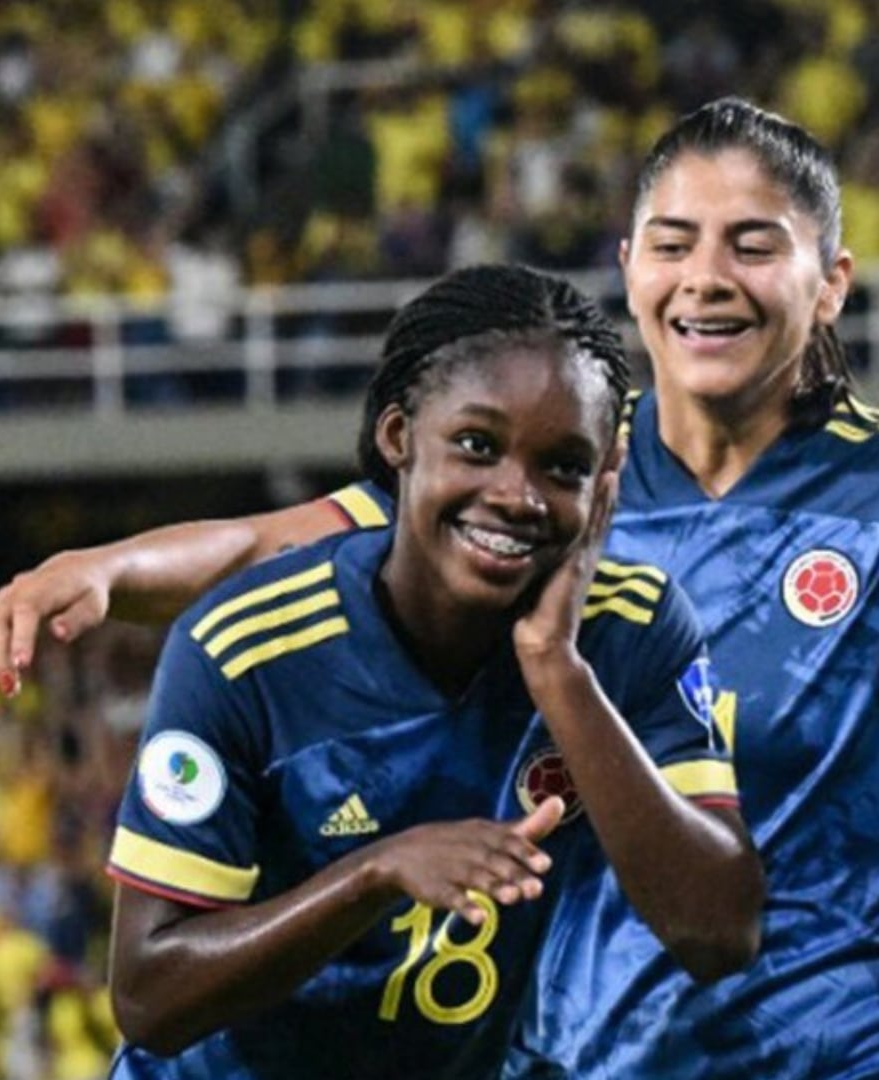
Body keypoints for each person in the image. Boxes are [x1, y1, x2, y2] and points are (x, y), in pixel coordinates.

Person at [0, 98, 879, 1078]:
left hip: (869, 1034)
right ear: (630, 268)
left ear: (832, 281)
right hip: (608, 1048)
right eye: (673, 242)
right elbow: (284, 547)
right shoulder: (554, 468)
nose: (708, 277)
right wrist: (102, 571)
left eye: (754, 243)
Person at [101, 263, 761, 1079]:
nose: (516, 494)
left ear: (606, 482)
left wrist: (557, 670)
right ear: (397, 436)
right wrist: (375, 873)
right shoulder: (244, 648)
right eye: (478, 446)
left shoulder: (631, 630)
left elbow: (720, 932)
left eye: (563, 467)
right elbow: (148, 998)